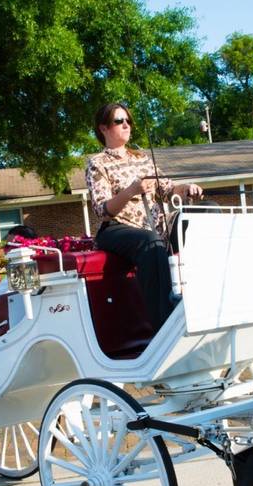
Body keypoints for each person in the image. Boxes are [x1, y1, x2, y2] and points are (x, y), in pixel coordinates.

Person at [85, 102, 203, 329]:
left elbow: (167, 190)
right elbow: (102, 210)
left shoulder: (141, 158)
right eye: (119, 121)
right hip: (118, 229)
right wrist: (132, 190)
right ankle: (166, 325)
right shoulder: (97, 163)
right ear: (103, 128)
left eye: (128, 120)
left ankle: (208, 298)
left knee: (201, 217)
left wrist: (186, 187)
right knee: (151, 243)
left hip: (155, 225)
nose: (126, 125)